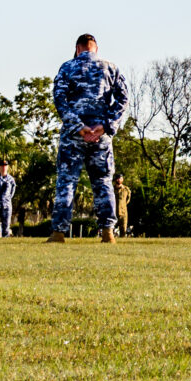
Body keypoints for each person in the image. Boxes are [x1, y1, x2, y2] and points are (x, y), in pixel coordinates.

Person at [50, 33, 129, 243]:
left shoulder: (67, 67)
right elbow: (123, 99)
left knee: (67, 182)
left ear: (78, 49)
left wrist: (78, 126)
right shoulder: (110, 67)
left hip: (74, 135)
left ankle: (58, 233)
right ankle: (108, 233)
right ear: (96, 48)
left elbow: (59, 99)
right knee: (103, 182)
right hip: (101, 135)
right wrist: (105, 126)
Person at [0, 162, 19, 237]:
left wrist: (7, 199)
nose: (3, 168)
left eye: (5, 166)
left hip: (6, 205)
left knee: (6, 226)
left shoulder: (11, 179)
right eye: (2, 166)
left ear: (7, 167)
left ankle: (5, 241)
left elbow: (12, 191)